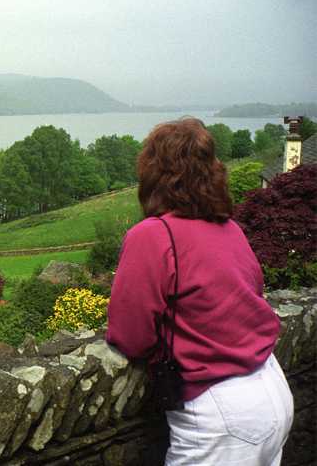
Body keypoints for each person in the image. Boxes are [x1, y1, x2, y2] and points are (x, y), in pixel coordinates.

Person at [105, 118, 293, 465]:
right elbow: (251, 293)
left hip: (222, 413)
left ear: (153, 174)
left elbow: (130, 335)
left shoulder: (153, 234)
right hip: (272, 387)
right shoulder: (231, 229)